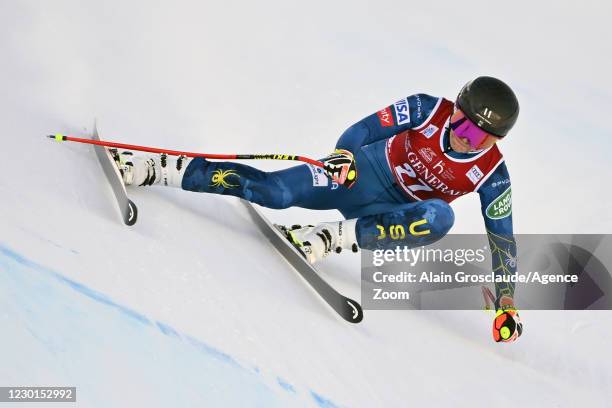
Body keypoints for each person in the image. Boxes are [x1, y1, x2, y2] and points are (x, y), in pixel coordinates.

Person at [114, 76, 522, 343]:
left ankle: (325, 238)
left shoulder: (492, 174)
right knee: (273, 192)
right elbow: (365, 129)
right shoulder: (426, 108)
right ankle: (160, 168)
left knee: (440, 218)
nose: (469, 141)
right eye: (465, 127)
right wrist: (343, 155)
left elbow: (501, 238)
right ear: (454, 111)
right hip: (358, 176)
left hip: (387, 215)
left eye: (483, 139)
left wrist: (506, 301)